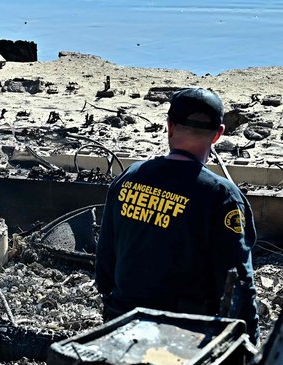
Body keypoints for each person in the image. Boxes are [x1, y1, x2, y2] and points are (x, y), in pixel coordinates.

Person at [94, 87, 260, 344]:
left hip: (123, 322)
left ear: (169, 126)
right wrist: (251, 343)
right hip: (183, 334)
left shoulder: (129, 178)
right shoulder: (222, 196)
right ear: (218, 135)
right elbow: (238, 280)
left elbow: (105, 258)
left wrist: (110, 300)